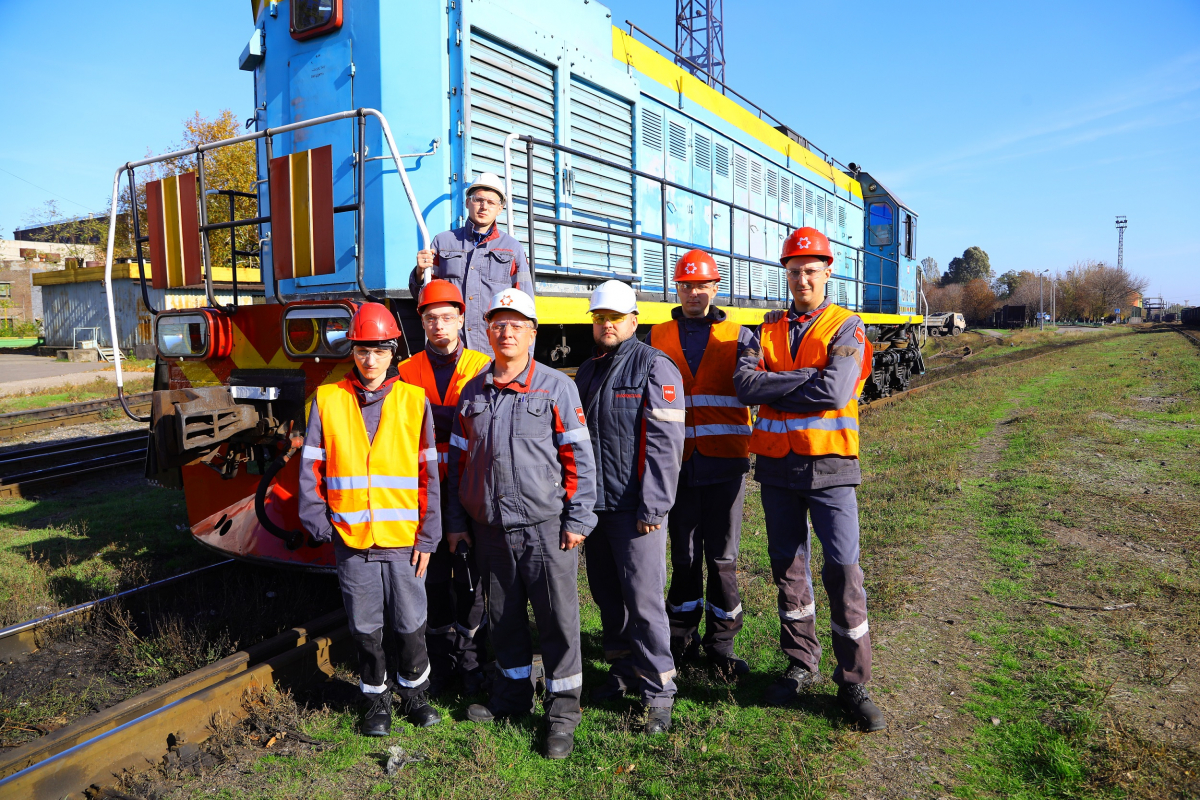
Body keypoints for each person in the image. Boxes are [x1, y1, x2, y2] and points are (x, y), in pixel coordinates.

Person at [732, 226, 884, 732]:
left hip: (832, 468)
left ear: (827, 271)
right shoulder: (762, 326)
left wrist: (776, 387)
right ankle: (800, 663)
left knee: (843, 571)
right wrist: (805, 380)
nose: (802, 278)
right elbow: (744, 384)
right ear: (786, 273)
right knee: (788, 570)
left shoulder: (848, 326)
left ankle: (853, 680)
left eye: (810, 270)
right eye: (794, 270)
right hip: (777, 467)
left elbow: (837, 391)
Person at [445, 288, 597, 759]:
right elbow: (456, 464)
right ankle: (511, 696)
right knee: (504, 619)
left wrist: (578, 517)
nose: (506, 331)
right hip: (489, 529)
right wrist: (456, 521)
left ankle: (562, 712)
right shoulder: (473, 391)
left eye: (516, 324)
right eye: (498, 323)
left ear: (533, 332)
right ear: (487, 330)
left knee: (557, 620)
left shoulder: (555, 386)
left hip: (545, 528)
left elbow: (579, 458)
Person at [299, 302, 442, 736]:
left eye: (379, 350)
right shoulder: (327, 400)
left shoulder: (414, 401)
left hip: (402, 538)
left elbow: (428, 471)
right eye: (362, 350)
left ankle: (414, 693)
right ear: (353, 351)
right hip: (353, 537)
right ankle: (376, 700)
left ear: (393, 351)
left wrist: (428, 535)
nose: (370, 359)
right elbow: (311, 466)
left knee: (410, 622)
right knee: (365, 627)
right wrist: (320, 523)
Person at [574, 280, 686, 734]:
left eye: (615, 318)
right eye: (600, 318)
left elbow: (666, 446)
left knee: (643, 601)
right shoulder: (588, 369)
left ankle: (659, 692)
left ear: (634, 321)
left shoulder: (655, 367)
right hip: (596, 508)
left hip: (636, 510)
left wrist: (654, 507)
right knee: (607, 597)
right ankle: (622, 673)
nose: (606, 325)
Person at [647, 250, 754, 676]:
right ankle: (680, 640)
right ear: (677, 288)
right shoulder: (657, 335)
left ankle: (722, 644)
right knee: (685, 556)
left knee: (723, 559)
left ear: (715, 287)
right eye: (686, 285)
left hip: (726, 464)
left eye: (702, 284)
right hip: (677, 466)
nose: (694, 292)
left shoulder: (740, 335)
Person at [396, 280, 492, 698]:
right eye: (431, 318)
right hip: (424, 489)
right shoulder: (405, 370)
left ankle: (473, 664)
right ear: (421, 321)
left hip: (469, 485)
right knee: (431, 577)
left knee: (471, 578)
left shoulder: (482, 366)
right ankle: (439, 662)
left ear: (460, 320)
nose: (439, 325)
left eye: (447, 318)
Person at [412, 173, 534, 356]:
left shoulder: (512, 248)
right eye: (478, 200)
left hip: (492, 349)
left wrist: (526, 358)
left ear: (500, 208)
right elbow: (424, 298)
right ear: (468, 202)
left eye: (492, 202)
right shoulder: (442, 242)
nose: (484, 206)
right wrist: (420, 273)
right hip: (450, 348)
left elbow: (525, 306)